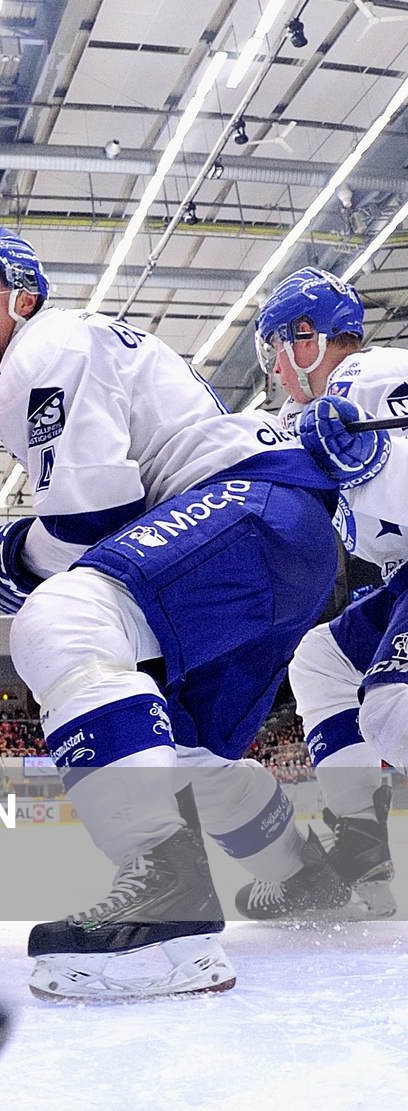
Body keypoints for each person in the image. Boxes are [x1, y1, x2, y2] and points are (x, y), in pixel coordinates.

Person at [0, 226, 345, 1000]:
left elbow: (94, 520)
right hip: (285, 541)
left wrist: (13, 553)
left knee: (61, 619)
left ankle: (164, 893)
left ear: (26, 295)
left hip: (244, 509)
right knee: (185, 754)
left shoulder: (43, 347)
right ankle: (302, 878)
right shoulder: (82, 343)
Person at [263, 267, 402, 917]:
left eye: (277, 346)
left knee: (391, 710)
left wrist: (375, 464)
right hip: (400, 579)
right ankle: (363, 844)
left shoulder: (374, 375)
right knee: (321, 660)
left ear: (306, 336)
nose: (275, 367)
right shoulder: (302, 420)